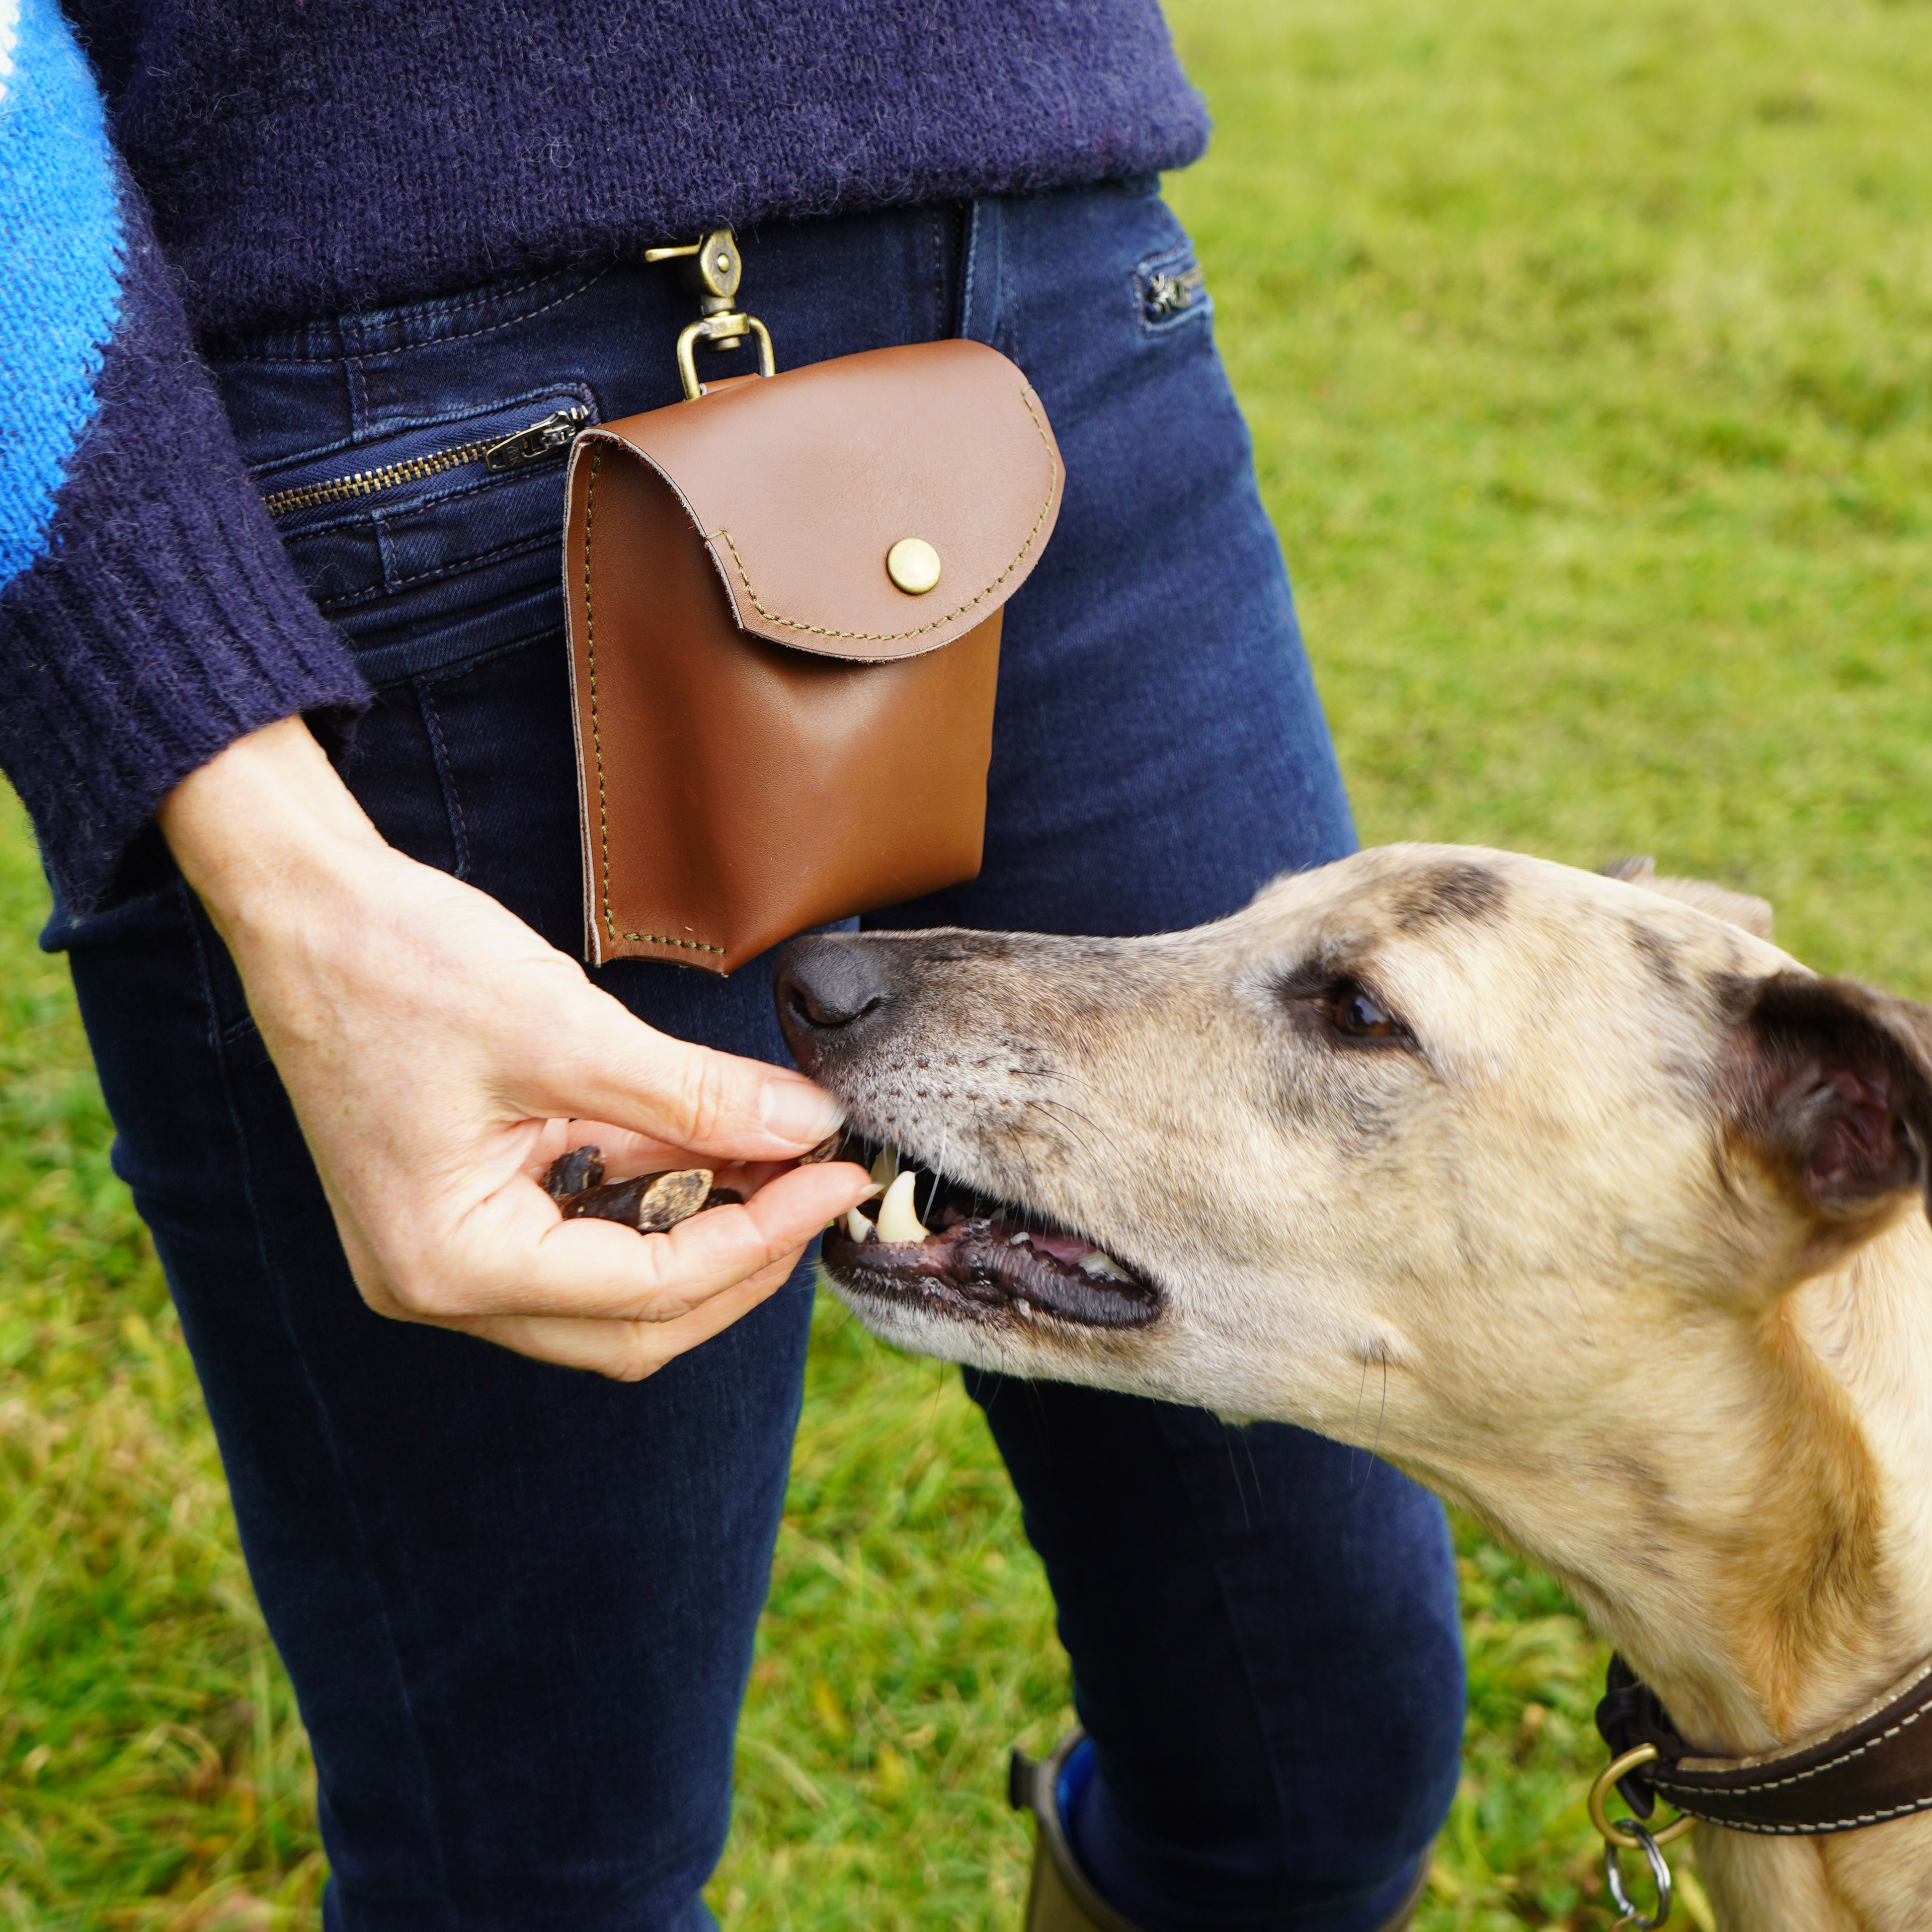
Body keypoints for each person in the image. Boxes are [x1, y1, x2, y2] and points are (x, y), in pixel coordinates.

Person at [0, 3, 1467, 1927]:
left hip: (1067, 323)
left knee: (1316, 1772)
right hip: (402, 458)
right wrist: (274, 852)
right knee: (544, 1874)